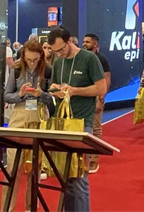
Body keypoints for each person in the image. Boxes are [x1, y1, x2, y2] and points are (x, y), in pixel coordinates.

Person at [47, 27, 106, 212]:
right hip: (61, 123)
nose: (59, 53)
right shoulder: (58, 62)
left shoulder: (89, 58)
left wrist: (75, 91)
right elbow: (54, 87)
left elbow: (101, 88)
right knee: (65, 176)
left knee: (79, 176)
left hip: (82, 123)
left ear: (70, 41)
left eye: (61, 49)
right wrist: (54, 89)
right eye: (55, 51)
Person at [1, 40, 53, 211]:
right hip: (20, 115)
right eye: (29, 59)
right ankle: (7, 208)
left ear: (41, 57)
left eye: (35, 60)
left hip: (39, 115)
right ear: (23, 56)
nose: (32, 63)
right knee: (12, 169)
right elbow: (6, 96)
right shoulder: (16, 69)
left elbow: (53, 98)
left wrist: (42, 94)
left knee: (34, 169)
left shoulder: (47, 70)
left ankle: (31, 208)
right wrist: (20, 94)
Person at [82, 33, 111, 174]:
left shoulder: (101, 59)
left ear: (95, 44)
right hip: (83, 97)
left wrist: (101, 99)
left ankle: (94, 159)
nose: (84, 44)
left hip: (96, 98)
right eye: (84, 41)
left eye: (88, 42)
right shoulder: (82, 58)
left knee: (95, 128)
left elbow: (107, 80)